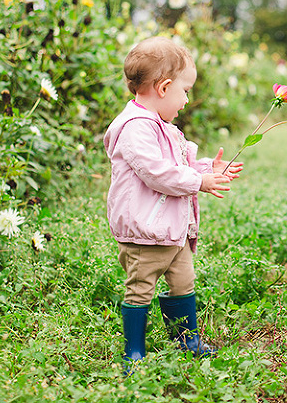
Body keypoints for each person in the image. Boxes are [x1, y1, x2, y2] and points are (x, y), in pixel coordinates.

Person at [103, 36, 241, 373]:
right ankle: (133, 349)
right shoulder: (136, 129)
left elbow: (177, 164)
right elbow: (158, 174)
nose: (187, 98)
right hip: (144, 231)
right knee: (140, 288)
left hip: (172, 229)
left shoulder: (161, 126)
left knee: (183, 281)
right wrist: (199, 183)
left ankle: (186, 338)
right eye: (185, 90)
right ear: (164, 87)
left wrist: (208, 168)